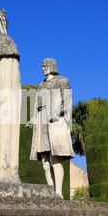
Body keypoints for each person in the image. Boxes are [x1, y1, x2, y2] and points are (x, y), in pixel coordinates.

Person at [27, 58, 75, 198]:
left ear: (52, 66)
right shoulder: (41, 85)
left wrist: (58, 113)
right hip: (42, 121)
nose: (43, 68)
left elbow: (67, 100)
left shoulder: (62, 81)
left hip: (55, 121)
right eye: (42, 66)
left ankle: (58, 192)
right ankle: (50, 192)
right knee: (45, 161)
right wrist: (33, 119)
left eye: (45, 66)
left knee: (55, 158)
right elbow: (38, 106)